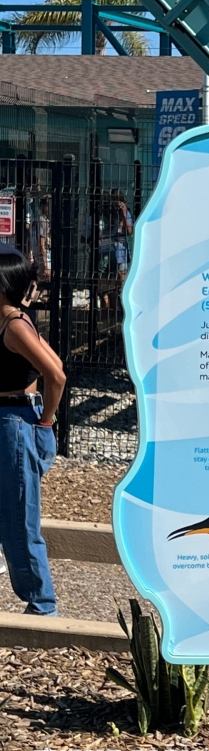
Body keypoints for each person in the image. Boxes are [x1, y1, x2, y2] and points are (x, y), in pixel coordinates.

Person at [0, 246, 66, 617]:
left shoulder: (14, 325)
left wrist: (46, 420)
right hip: (13, 419)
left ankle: (42, 606)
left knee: (19, 518)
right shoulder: (15, 320)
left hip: (14, 421)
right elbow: (55, 363)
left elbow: (56, 374)